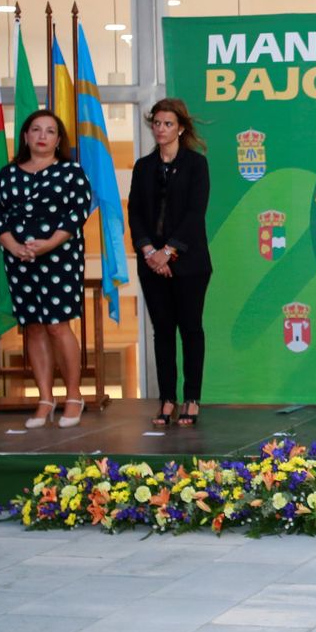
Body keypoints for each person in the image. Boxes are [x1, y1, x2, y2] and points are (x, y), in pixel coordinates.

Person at [0, 110, 94, 428]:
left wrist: (48, 244)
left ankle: (73, 396)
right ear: (26, 136)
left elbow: (77, 213)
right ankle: (45, 399)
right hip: (19, 260)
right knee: (33, 327)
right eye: (36, 130)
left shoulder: (71, 172)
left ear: (59, 140)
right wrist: (12, 245)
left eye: (49, 131)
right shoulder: (8, 174)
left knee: (57, 326)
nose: (42, 136)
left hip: (60, 258)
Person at [128, 98, 212, 428]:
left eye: (168, 124)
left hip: (190, 264)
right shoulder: (143, 167)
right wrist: (151, 252)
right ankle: (167, 399)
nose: (161, 129)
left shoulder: (196, 165)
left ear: (180, 128)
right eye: (157, 123)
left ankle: (191, 398)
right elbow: (135, 213)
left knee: (190, 329)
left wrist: (169, 251)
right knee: (162, 331)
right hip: (151, 264)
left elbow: (195, 213)